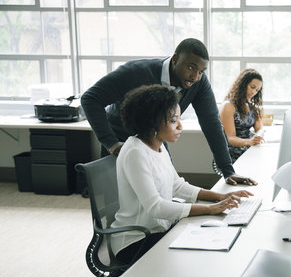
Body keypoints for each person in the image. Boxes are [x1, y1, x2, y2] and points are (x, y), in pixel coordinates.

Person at [81, 38, 256, 186]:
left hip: (155, 140)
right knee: (118, 201)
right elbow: (90, 98)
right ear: (175, 59)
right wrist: (111, 142)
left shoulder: (198, 83)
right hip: (120, 142)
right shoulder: (135, 72)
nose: (195, 77)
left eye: (201, 71)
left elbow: (211, 123)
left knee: (168, 188)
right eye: (191, 67)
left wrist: (228, 170)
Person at [112, 84, 253, 265]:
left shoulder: (158, 145)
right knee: (200, 258)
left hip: (158, 230)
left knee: (214, 241)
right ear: (152, 121)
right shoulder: (135, 152)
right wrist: (210, 209)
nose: (180, 126)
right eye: (173, 121)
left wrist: (220, 197)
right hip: (135, 241)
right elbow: (156, 207)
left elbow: (177, 185)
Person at [219, 68, 264, 163]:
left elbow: (260, 128)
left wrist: (258, 137)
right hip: (233, 153)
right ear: (243, 84)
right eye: (252, 87)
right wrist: (250, 141)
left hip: (248, 148)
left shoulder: (252, 106)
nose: (253, 92)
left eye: (257, 90)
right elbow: (230, 138)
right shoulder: (228, 106)